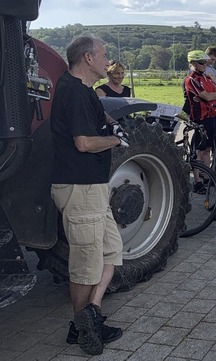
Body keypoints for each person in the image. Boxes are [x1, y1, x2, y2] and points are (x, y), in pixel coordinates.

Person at [50, 35, 127, 355]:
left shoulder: (80, 89)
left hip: (91, 188)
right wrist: (116, 141)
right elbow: (83, 142)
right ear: (88, 58)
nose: (108, 59)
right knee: (85, 265)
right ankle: (79, 328)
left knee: (111, 250)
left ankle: (91, 313)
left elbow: (98, 114)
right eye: (103, 54)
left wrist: (112, 124)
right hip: (80, 188)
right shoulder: (75, 93)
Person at [184, 50, 216, 193]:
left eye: (206, 62)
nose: (205, 65)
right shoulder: (192, 79)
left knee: (207, 150)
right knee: (197, 151)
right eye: (202, 63)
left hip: (212, 115)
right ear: (193, 64)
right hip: (200, 118)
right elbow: (206, 96)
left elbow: (215, 89)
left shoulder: (206, 77)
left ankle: (208, 177)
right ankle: (197, 182)